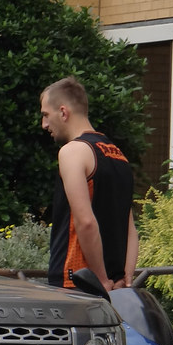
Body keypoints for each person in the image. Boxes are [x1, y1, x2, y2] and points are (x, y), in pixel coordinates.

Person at [40, 76, 138, 291]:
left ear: (63, 112)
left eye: (46, 115)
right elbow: (130, 228)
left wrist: (100, 280)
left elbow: (85, 222)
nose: (44, 124)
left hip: (76, 283)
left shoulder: (73, 152)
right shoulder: (118, 156)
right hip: (116, 285)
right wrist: (126, 279)